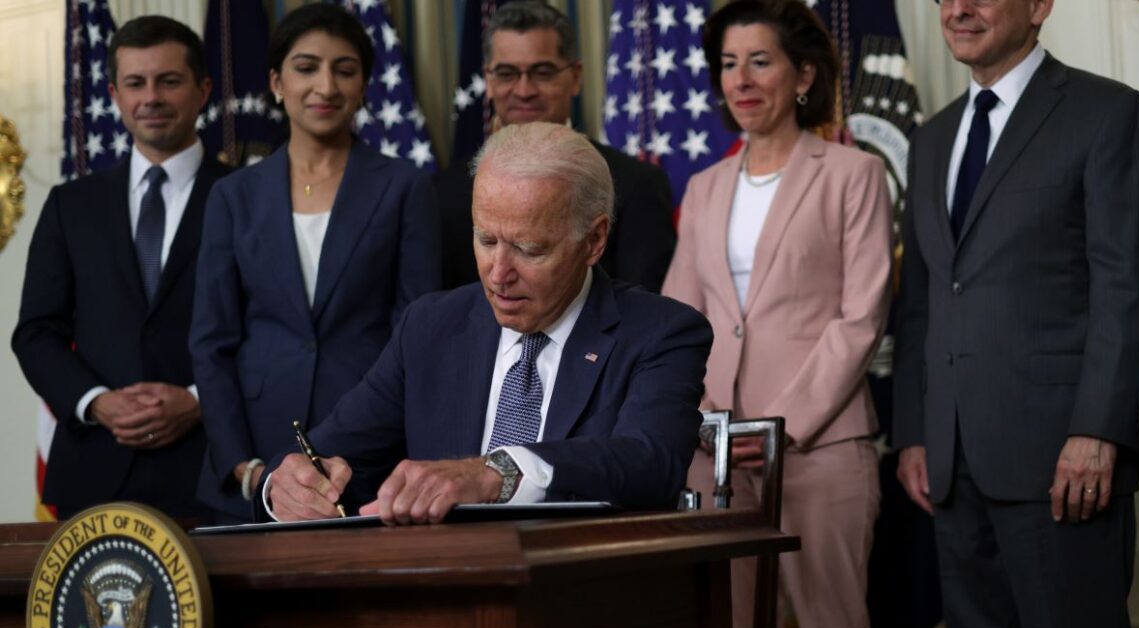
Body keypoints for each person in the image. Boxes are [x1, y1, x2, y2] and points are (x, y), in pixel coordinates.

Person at [893, 1, 1139, 628]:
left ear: (1039, 5)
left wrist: (1097, 429)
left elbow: (1127, 286)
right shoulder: (931, 139)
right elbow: (921, 304)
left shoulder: (1107, 113)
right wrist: (917, 433)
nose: (957, 8)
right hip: (951, 465)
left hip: (1062, 462)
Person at [260, 121, 711, 524]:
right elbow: (326, 454)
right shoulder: (431, 327)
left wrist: (498, 473)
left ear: (594, 241)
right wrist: (287, 485)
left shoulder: (661, 333)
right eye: (486, 239)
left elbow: (649, 461)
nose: (498, 273)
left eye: (529, 249)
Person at [663, 1, 892, 628]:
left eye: (759, 61)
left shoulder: (855, 174)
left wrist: (780, 424)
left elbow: (861, 319)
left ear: (803, 76)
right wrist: (702, 418)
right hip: (715, 456)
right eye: (729, 64)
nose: (741, 79)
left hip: (818, 450)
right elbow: (680, 321)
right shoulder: (703, 188)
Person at [190, 3, 440, 524]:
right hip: (258, 453)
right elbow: (211, 343)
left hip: (370, 454)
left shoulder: (406, 187)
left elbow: (415, 331)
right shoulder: (232, 195)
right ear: (277, 83)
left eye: (344, 69)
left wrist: (360, 438)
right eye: (306, 68)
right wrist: (245, 468)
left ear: (365, 85)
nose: (325, 86)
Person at [12, 16, 230, 520]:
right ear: (114, 93)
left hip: (212, 472)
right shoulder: (71, 205)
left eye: (168, 81)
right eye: (135, 83)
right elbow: (37, 333)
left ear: (203, 90)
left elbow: (268, 329)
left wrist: (199, 400)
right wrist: (95, 401)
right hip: (93, 472)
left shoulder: (247, 197)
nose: (150, 97)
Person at [434, 0, 675, 292]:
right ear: (488, 80)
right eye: (507, 74)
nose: (524, 91)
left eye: (543, 72)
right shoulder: (441, 193)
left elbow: (644, 313)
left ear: (575, 77)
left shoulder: (637, 184)